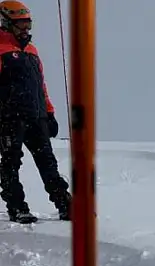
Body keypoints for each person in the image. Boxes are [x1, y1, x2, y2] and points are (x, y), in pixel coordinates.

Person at [0, 1, 71, 224]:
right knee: (11, 163)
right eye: (20, 25)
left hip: (36, 117)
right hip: (9, 118)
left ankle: (65, 205)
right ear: (6, 23)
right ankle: (17, 207)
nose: (26, 30)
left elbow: (41, 85)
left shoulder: (32, 51)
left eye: (28, 25)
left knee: (48, 163)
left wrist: (49, 112)